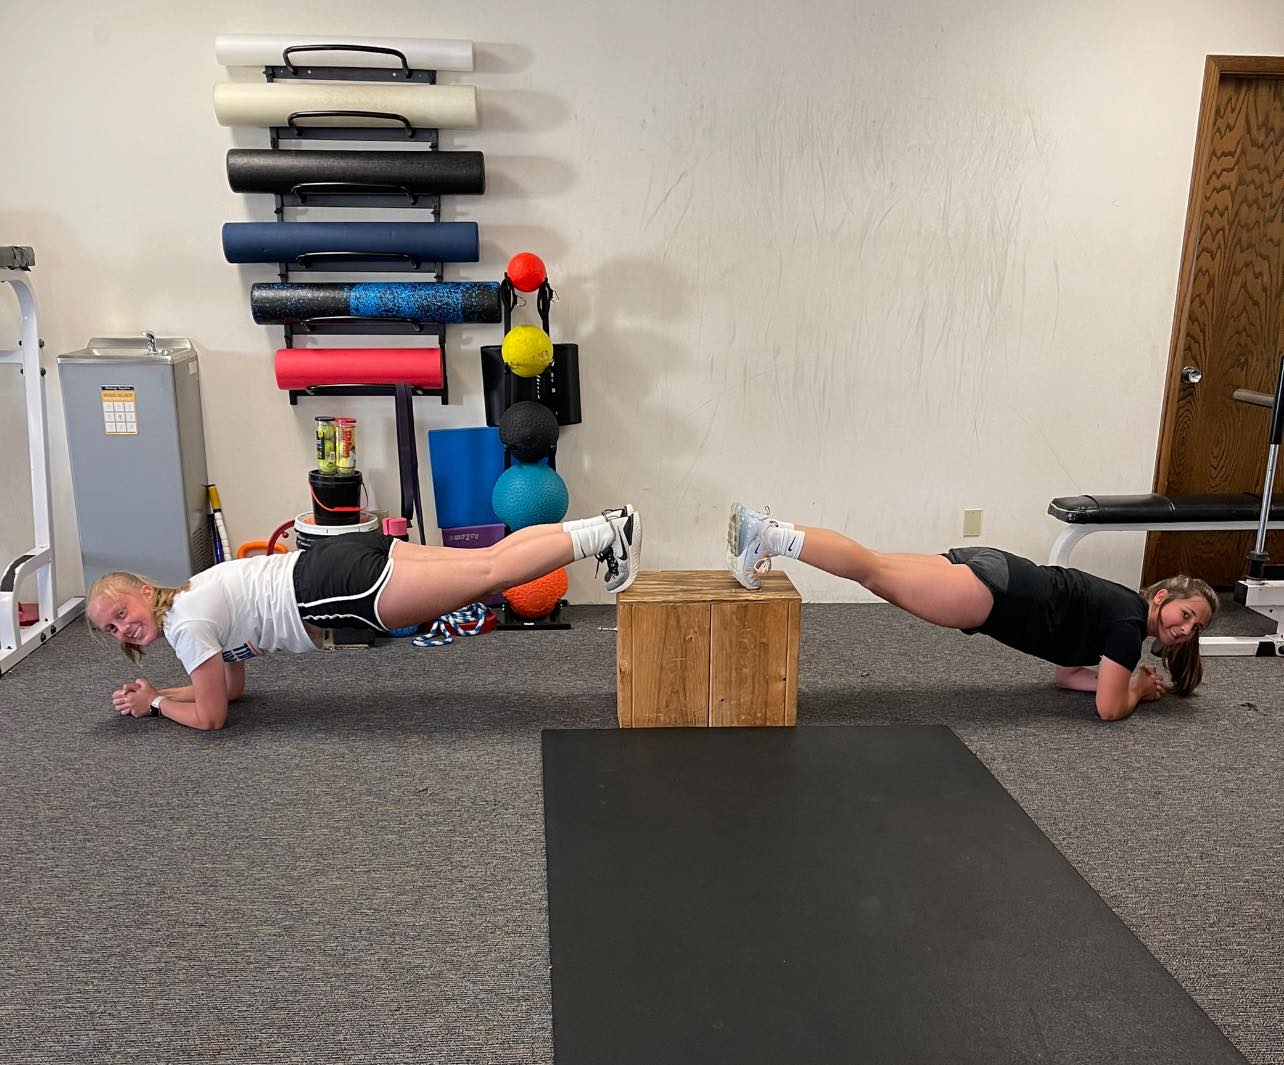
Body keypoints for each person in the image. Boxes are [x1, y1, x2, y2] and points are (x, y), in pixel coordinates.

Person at [88, 506, 641, 731]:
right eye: (112, 629)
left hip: (336, 589)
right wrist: (164, 689)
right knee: (485, 563)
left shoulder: (185, 626)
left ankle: (606, 535)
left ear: (144, 591)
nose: (123, 628)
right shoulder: (191, 595)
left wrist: (155, 704)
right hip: (335, 561)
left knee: (489, 573)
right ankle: (604, 524)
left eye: (122, 612)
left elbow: (211, 717)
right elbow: (229, 690)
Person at [726, 503, 1217, 721]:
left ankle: (769, 529)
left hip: (996, 569)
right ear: (1161, 598)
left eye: (1196, 627)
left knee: (873, 565)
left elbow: (1068, 676)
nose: (1187, 628)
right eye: (1186, 614)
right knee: (871, 571)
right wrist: (1135, 691)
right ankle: (768, 536)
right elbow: (1109, 710)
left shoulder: (1123, 610)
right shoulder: (1128, 627)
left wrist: (1120, 680)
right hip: (997, 592)